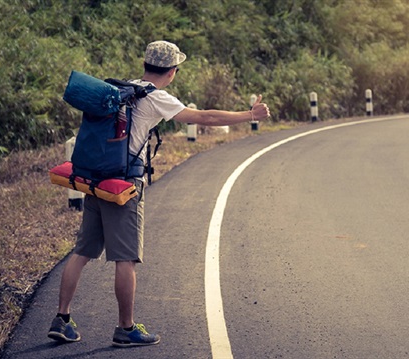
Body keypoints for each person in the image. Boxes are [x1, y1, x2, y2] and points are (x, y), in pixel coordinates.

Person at [47, 40, 270, 347]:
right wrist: (249, 115)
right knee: (125, 258)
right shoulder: (155, 97)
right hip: (124, 187)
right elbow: (204, 117)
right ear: (172, 72)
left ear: (145, 65)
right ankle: (125, 328)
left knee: (82, 252)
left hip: (95, 180)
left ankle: (62, 319)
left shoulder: (124, 89)